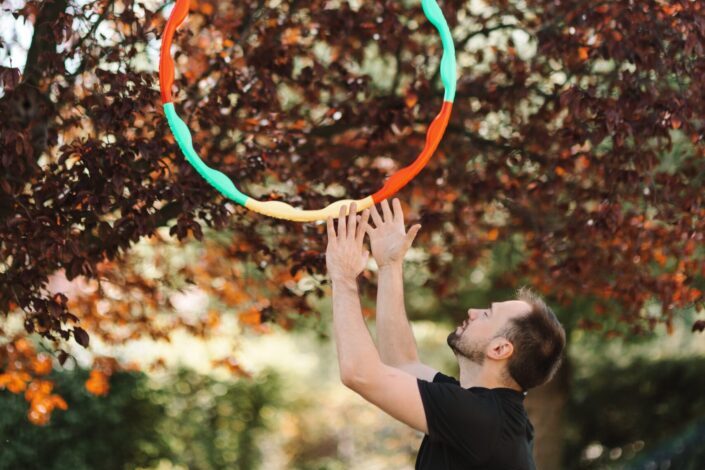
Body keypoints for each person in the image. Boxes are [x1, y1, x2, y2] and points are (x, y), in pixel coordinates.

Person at [325, 198, 566, 469]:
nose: (473, 311)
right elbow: (402, 363)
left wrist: (344, 278)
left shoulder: (484, 420)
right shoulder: (488, 412)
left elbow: (360, 373)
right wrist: (389, 266)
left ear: (499, 349)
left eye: (487, 314)